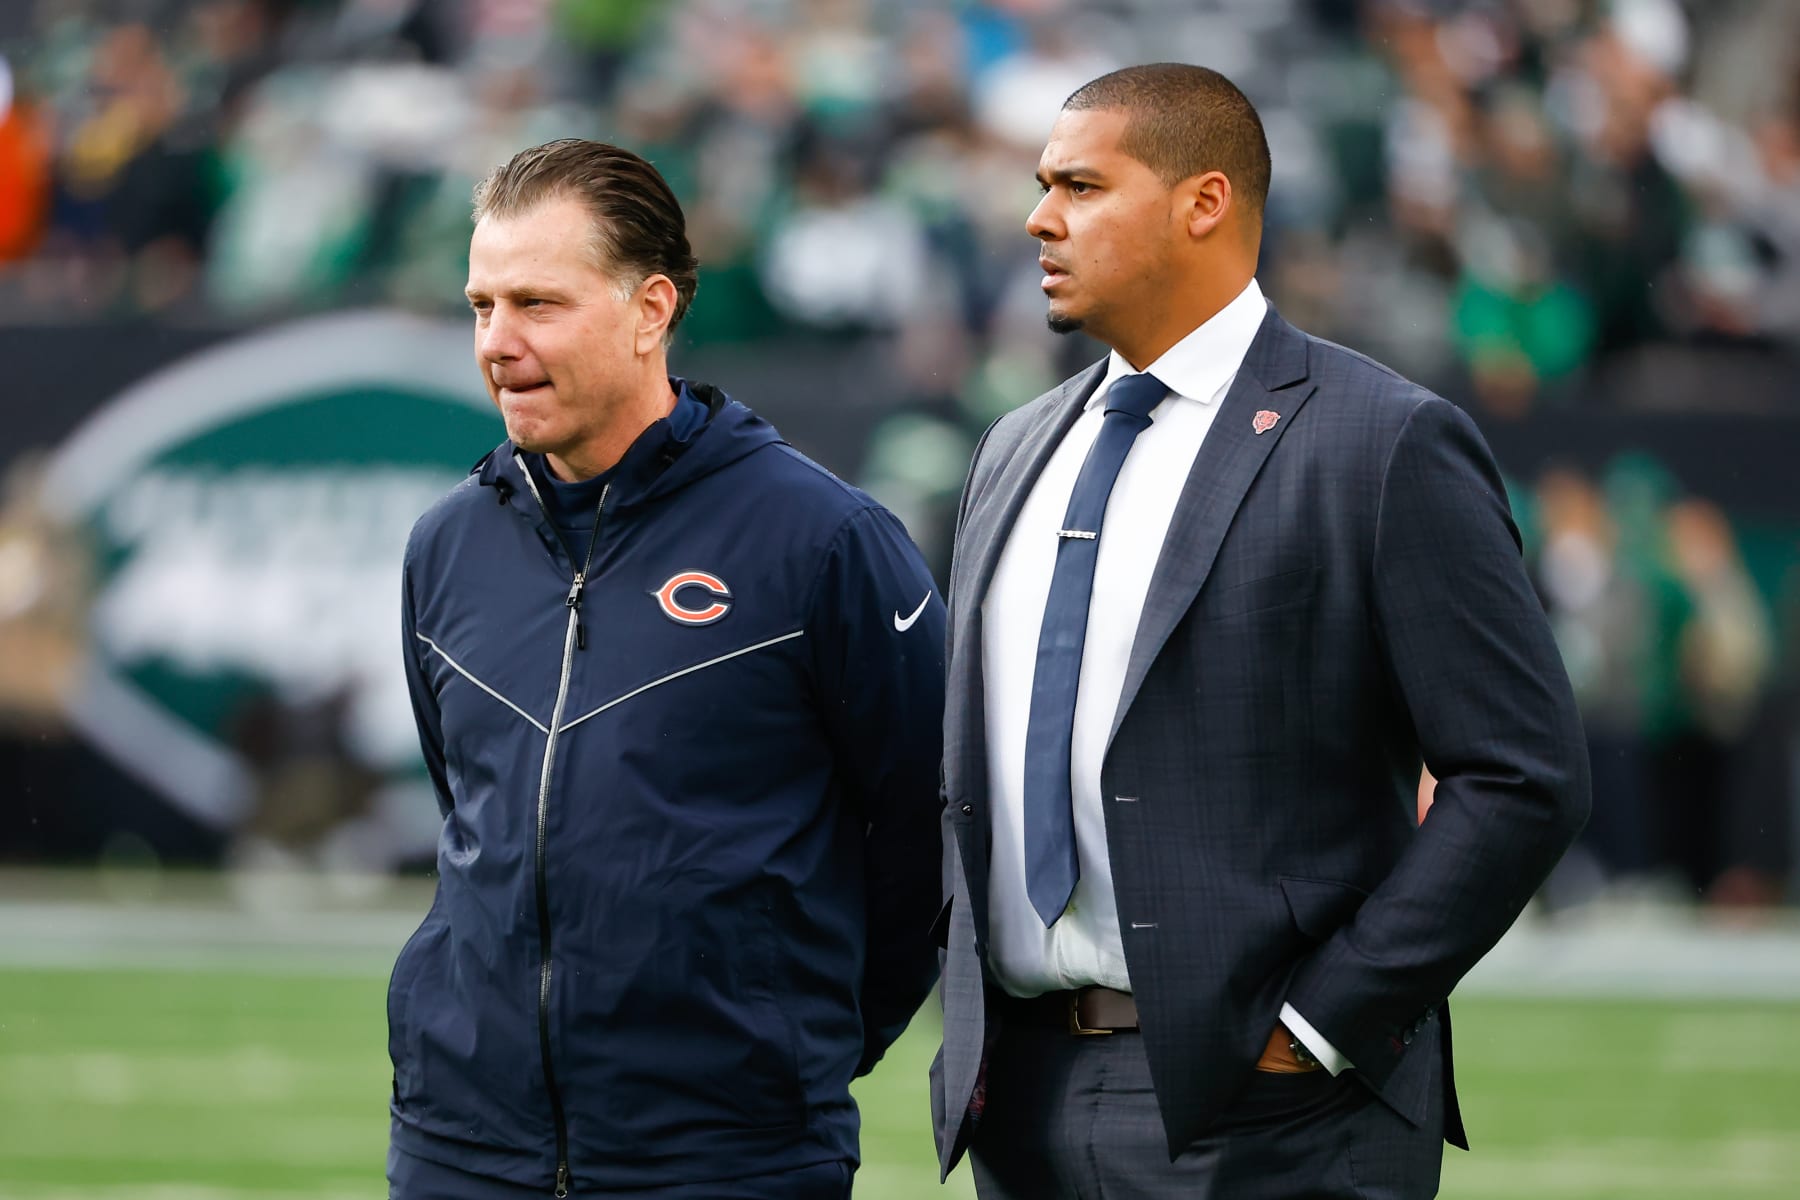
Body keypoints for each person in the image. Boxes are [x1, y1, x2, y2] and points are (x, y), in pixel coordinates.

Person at [932, 64, 1591, 1198]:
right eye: (1043, 185)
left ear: (1205, 202)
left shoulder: (1383, 440)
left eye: (1082, 185)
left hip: (1277, 1108)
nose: (1040, 216)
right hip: (1024, 1101)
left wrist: (1324, 1023)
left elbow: (1522, 775)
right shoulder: (1015, 446)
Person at [386, 139, 945, 1199]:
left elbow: (929, 829)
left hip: (725, 1156)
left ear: (651, 310)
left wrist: (787, 1047)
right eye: (480, 304)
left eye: (537, 304)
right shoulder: (447, 544)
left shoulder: (822, 541)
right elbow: (469, 809)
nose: (497, 343)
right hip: (459, 1150)